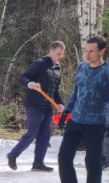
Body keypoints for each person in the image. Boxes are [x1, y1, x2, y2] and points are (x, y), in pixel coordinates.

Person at [52, 36, 109, 183]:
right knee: (64, 156)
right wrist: (65, 113)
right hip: (76, 120)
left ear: (102, 51)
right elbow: (75, 92)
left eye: (91, 51)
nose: (87, 54)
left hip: (95, 123)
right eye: (86, 50)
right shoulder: (82, 67)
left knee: (92, 162)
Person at [7, 41, 66, 172]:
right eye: (58, 54)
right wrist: (30, 84)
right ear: (51, 51)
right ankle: (13, 155)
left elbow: (55, 90)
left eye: (62, 54)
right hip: (34, 104)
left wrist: (60, 103)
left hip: (47, 106)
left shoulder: (57, 68)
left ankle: (38, 163)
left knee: (45, 135)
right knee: (33, 132)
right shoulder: (40, 64)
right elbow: (23, 77)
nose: (60, 56)